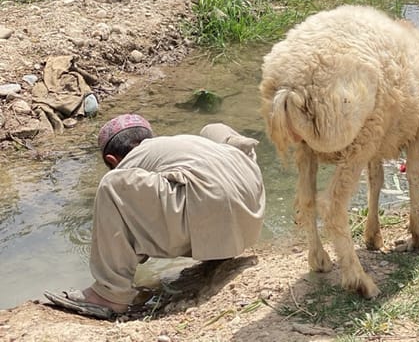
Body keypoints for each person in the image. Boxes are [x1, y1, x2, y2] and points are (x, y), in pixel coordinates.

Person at [44, 114, 266, 320]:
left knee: (112, 186)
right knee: (214, 130)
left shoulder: (128, 165)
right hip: (252, 210)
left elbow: (132, 228)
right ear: (150, 138)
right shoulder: (179, 145)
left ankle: (109, 295)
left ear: (112, 159)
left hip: (213, 209)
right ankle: (218, 254)